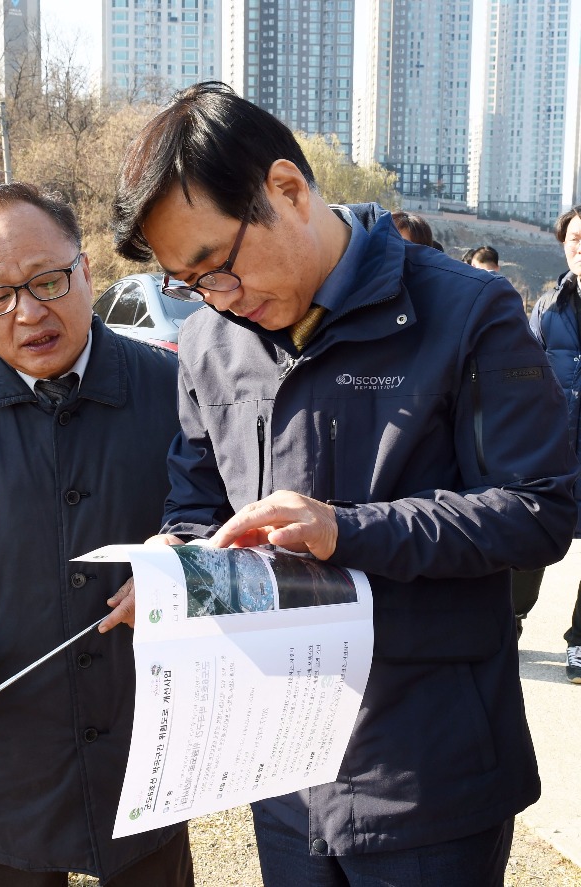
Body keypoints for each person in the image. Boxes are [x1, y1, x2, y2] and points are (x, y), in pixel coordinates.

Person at [111, 82, 577, 886]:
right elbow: (197, 502)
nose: (219, 299)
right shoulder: (212, 342)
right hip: (284, 764)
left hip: (429, 768)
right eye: (192, 285)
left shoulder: (467, 312)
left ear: (287, 189)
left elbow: (542, 508)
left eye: (218, 265)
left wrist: (346, 528)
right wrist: (176, 561)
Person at [0, 182, 194, 887]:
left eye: (49, 280)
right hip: (10, 734)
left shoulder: (173, 387)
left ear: (86, 269)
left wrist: (181, 566)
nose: (29, 311)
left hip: (146, 725)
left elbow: (211, 518)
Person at [529, 204, 581, 683]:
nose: (580, 248)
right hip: (555, 448)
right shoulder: (548, 307)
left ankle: (580, 641)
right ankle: (511, 619)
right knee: (532, 536)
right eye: (574, 239)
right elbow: (521, 379)